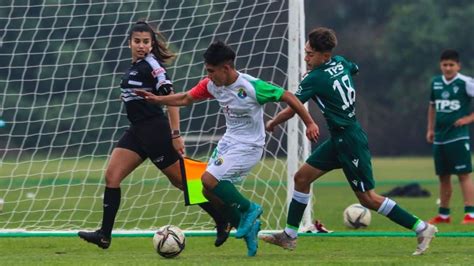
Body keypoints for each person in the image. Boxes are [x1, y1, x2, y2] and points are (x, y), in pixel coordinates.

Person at [259, 27, 437, 256]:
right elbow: (355, 68)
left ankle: (422, 228)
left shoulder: (314, 78)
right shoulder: (341, 62)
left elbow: (293, 106)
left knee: (368, 198)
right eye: (305, 52)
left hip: (349, 140)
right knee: (301, 178)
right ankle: (290, 236)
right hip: (339, 139)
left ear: (324, 56)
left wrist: (272, 123)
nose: (305, 57)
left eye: (310, 53)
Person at [135, 40, 319, 256]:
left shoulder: (251, 87)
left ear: (227, 68)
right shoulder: (211, 85)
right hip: (229, 142)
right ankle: (248, 228)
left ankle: (251, 209)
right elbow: (185, 98)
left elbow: (287, 96)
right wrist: (158, 100)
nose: (209, 75)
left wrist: (309, 122)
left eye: (212, 71)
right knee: (206, 191)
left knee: (209, 179)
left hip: (250, 146)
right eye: (207, 71)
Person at [78, 21, 230, 249]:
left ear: (151, 44)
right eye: (137, 41)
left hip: (155, 132)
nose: (141, 46)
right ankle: (104, 235)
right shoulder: (134, 66)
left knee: (184, 182)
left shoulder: (153, 66)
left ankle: (224, 216)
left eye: (145, 42)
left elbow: (172, 101)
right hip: (137, 131)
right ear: (129, 42)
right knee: (112, 176)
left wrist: (176, 134)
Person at [426, 49, 474, 225]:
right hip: (440, 137)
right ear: (440, 65)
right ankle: (444, 215)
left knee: (463, 174)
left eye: (451, 65)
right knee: (443, 176)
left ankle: (470, 214)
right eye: (444, 65)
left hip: (458, 137)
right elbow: (432, 107)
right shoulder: (436, 83)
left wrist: (469, 118)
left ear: (458, 66)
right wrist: (430, 129)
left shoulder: (465, 82)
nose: (447, 68)